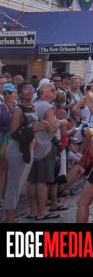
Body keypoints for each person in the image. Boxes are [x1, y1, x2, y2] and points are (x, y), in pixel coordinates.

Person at [3, 82, 40, 223]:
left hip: (28, 148)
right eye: (25, 89)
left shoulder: (32, 107)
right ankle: (9, 219)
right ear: (19, 94)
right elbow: (14, 133)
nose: (29, 91)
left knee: (20, 184)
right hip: (17, 149)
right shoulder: (18, 110)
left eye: (31, 88)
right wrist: (34, 130)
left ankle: (12, 217)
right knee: (14, 185)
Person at [26, 81, 60, 220]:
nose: (54, 92)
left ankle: (33, 210)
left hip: (33, 146)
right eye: (52, 90)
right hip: (45, 146)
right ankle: (42, 211)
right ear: (44, 92)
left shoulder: (35, 104)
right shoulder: (48, 107)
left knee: (32, 180)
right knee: (42, 180)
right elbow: (51, 129)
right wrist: (60, 123)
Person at [0, 82, 18, 206]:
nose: (7, 95)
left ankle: (7, 196)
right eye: (5, 93)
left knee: (11, 171)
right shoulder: (1, 107)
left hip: (15, 141)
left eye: (9, 92)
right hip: (3, 140)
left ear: (14, 93)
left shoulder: (18, 107)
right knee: (3, 170)